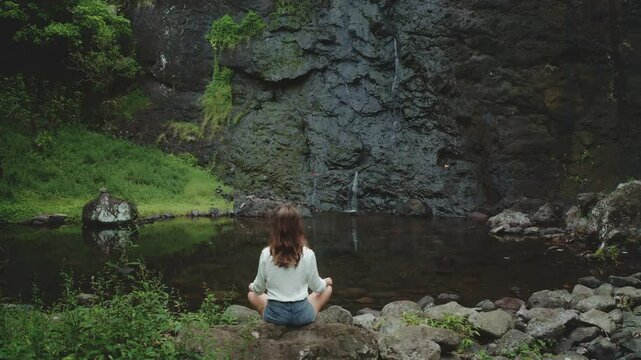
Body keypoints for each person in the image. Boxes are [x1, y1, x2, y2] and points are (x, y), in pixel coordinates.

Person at [247, 204, 333, 326]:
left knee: (251, 294)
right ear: (298, 228)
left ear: (276, 229)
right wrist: (326, 281)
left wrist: (252, 286)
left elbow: (259, 289)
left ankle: (268, 318)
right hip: (301, 316)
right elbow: (317, 288)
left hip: (276, 316)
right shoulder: (308, 254)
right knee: (327, 289)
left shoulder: (266, 253)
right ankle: (309, 317)